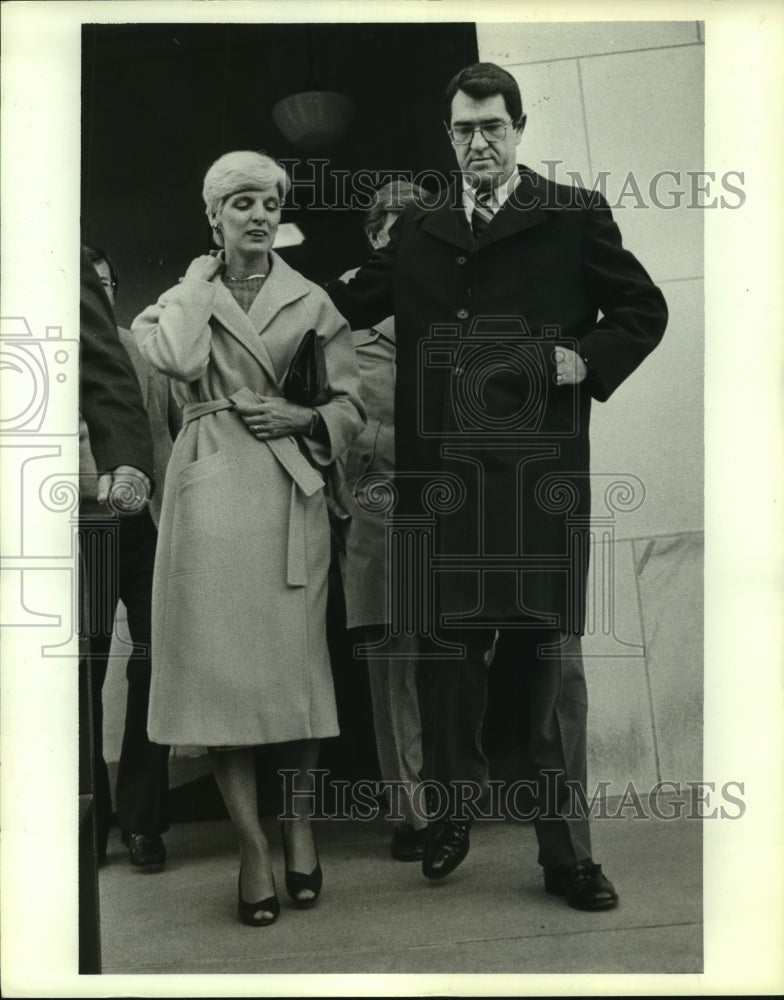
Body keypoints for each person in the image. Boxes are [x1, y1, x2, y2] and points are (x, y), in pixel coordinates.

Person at [326, 63, 668, 910]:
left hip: (539, 486)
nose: (478, 142)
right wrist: (228, 275)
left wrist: (583, 358)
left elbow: (643, 311)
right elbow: (339, 303)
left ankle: (569, 858)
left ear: (518, 128)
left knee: (553, 678)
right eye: (463, 130)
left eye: (493, 127)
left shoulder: (573, 215)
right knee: (451, 672)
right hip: (442, 491)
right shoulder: (419, 231)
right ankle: (450, 818)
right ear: (449, 138)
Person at [132, 151, 365, 926]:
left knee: (294, 678)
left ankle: (297, 826)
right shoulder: (180, 299)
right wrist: (198, 284)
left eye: (270, 202)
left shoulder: (315, 302)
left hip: (285, 492)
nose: (259, 215)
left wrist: (301, 418)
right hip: (210, 496)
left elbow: (352, 406)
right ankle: (251, 846)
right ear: (215, 216)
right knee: (222, 685)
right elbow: (177, 359)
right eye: (240, 204)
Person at [333, 181, 431, 862]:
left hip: (451, 490)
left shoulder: (453, 295)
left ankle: (457, 790)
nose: (403, 238)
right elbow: (324, 403)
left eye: (417, 226)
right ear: (373, 236)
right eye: (392, 227)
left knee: (459, 646)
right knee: (393, 655)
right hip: (376, 496)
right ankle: (410, 807)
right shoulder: (341, 305)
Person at [79, 246, 169, 869]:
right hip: (80, 525)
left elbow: (164, 430)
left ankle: (143, 821)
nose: (99, 293)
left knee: (152, 663)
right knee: (81, 672)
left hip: (143, 527)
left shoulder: (139, 350)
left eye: (107, 283)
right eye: (91, 282)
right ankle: (90, 817)